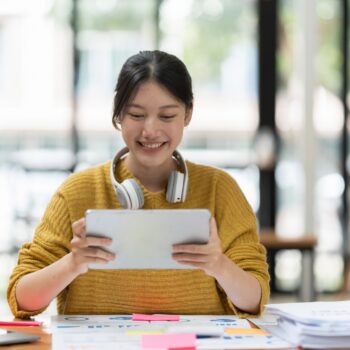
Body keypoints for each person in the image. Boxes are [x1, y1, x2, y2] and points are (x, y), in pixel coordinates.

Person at [7, 50, 269, 319]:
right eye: (136, 115)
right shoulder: (75, 193)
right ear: (118, 114)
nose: (150, 131)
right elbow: (22, 299)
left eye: (167, 116)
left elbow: (254, 299)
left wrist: (219, 264)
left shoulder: (220, 189)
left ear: (188, 114)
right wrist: (74, 263)